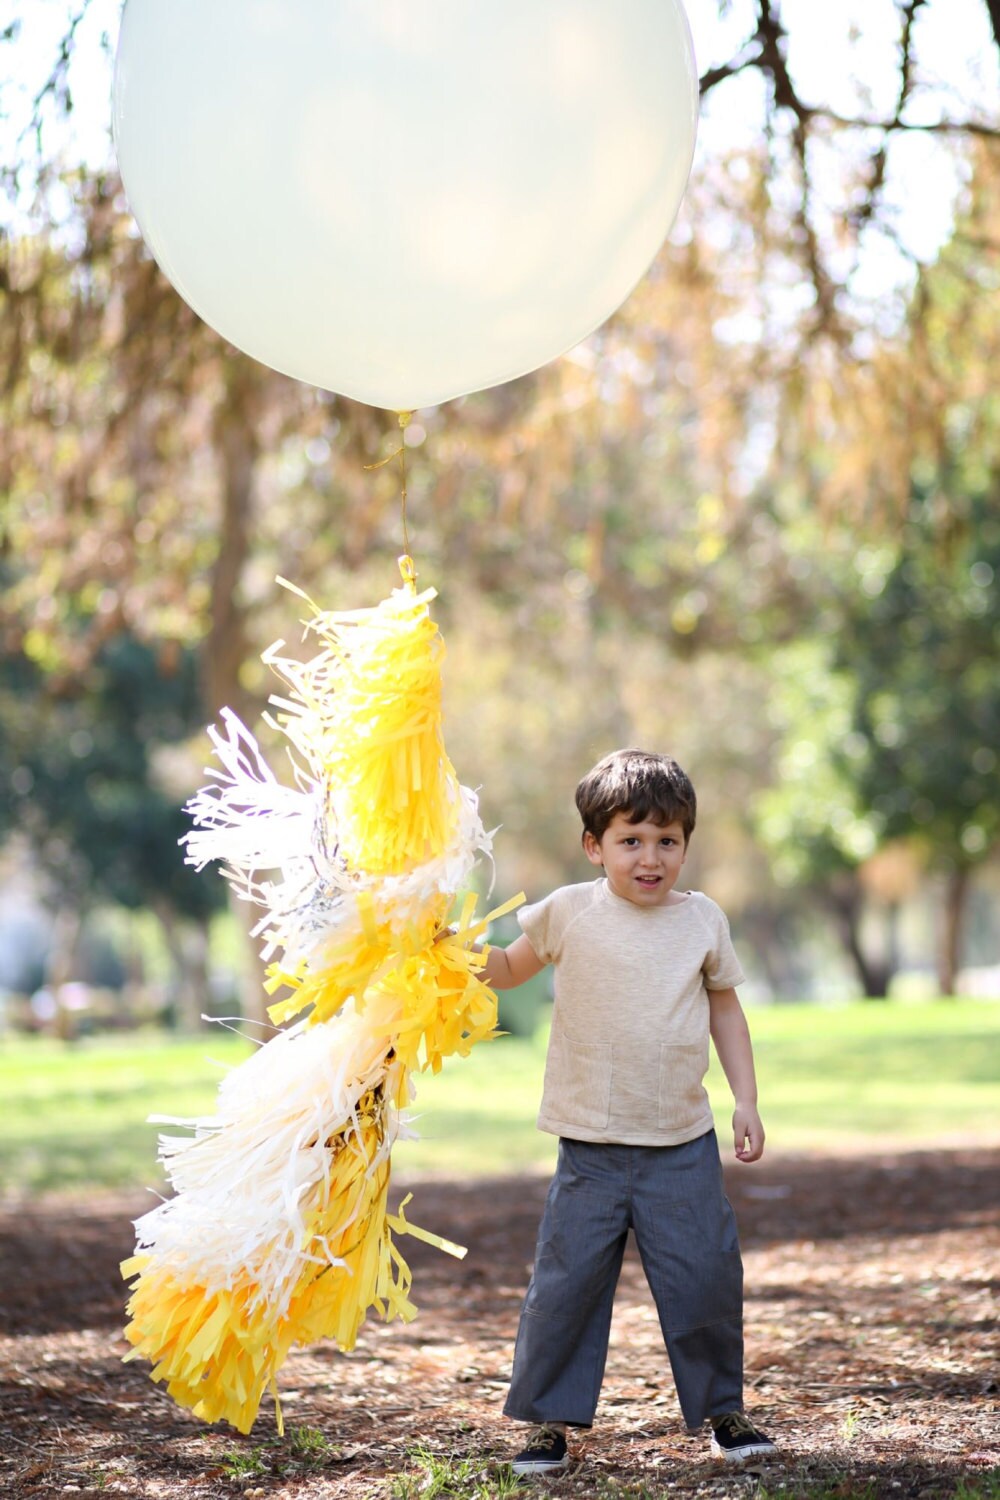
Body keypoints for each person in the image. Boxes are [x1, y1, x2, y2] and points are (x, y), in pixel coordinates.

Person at [480, 748, 776, 1474]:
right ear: (595, 845)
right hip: (591, 1145)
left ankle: (723, 1409)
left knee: (706, 1275)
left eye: (668, 841)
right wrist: (442, 948)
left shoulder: (701, 920)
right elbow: (507, 969)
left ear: (686, 845)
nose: (651, 858)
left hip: (681, 1140)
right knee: (567, 1285)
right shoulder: (568, 911)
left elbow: (727, 1012)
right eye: (631, 840)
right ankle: (548, 1422)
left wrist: (746, 1100)